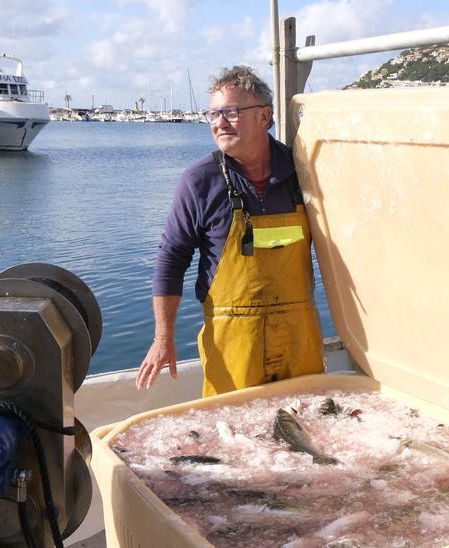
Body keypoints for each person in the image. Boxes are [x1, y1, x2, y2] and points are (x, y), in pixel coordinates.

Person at [136, 66, 324, 397]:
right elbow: (171, 260)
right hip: (232, 347)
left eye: (231, 112)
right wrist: (163, 338)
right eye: (213, 113)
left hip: (300, 341)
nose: (219, 122)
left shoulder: (305, 172)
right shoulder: (198, 181)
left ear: (265, 116)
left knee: (304, 429)